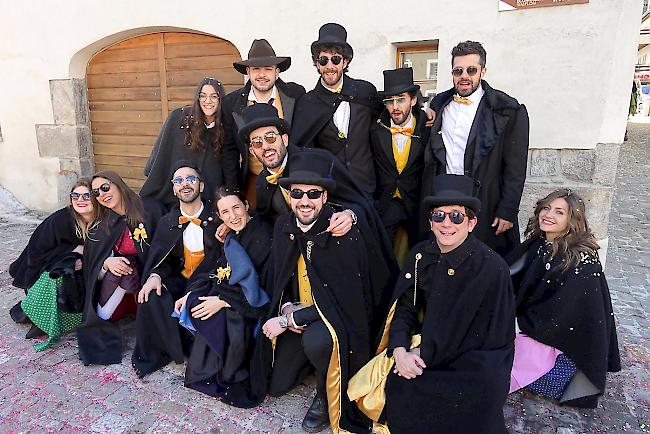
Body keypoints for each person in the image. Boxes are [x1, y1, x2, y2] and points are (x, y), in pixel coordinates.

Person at [349, 174, 515, 434]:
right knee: (399, 385)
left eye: (456, 216)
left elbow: (493, 336)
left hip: (475, 359)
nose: (446, 223)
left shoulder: (493, 268)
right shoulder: (420, 256)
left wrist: (423, 353)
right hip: (428, 348)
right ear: (430, 221)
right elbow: (405, 308)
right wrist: (400, 351)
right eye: (439, 216)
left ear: (471, 223)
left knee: (476, 396)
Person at [235, 103, 398, 333]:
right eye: (257, 142)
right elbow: (268, 222)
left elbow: (359, 200)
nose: (266, 147)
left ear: (284, 138)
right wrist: (236, 222)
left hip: (338, 258)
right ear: (252, 151)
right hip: (301, 267)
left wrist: (350, 215)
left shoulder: (319, 161)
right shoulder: (263, 183)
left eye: (270, 137)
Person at [259, 151, 378, 433]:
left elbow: (343, 301)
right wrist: (287, 306)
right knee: (277, 385)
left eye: (313, 193)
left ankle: (326, 395)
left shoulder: (340, 231)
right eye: (297, 193)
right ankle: (314, 367)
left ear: (325, 197)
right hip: (299, 309)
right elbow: (279, 276)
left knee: (316, 341)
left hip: (334, 321)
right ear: (288, 195)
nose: (304, 201)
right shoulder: (283, 226)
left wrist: (289, 321)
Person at [507, 188, 621, 408]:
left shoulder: (581, 261)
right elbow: (508, 272)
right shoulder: (540, 243)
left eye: (559, 212)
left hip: (562, 345)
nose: (548, 215)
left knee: (495, 359)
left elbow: (560, 316)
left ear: (572, 220)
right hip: (534, 326)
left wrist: (514, 322)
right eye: (547, 208)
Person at [423, 41, 529, 256]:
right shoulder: (438, 105)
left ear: (483, 71)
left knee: (482, 263)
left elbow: (515, 168)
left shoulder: (507, 110)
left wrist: (508, 209)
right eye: (458, 70)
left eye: (471, 70)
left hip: (485, 200)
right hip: (445, 199)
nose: (464, 76)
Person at [175, 187, 273, 398]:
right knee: (194, 300)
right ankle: (210, 367)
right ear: (219, 216)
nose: (233, 216)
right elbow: (215, 268)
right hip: (230, 292)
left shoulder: (263, 235)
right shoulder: (232, 234)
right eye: (225, 212)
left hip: (252, 303)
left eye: (236, 207)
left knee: (222, 315)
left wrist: (223, 301)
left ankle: (225, 370)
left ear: (246, 206)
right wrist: (191, 294)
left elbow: (263, 284)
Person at [131, 162, 220, 377]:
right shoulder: (167, 221)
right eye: (178, 180)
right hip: (180, 278)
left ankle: (197, 351)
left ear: (200, 186)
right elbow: (163, 259)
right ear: (174, 189)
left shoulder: (217, 218)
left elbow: (223, 260)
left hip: (209, 282)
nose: (184, 184)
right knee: (152, 295)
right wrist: (154, 275)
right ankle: (167, 350)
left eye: (191, 179)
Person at [76, 171, 162, 365]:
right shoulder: (104, 222)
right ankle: (101, 320)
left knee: (128, 267)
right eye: (96, 192)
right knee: (122, 267)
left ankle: (102, 321)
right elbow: (93, 257)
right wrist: (107, 262)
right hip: (122, 281)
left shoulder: (149, 209)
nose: (102, 194)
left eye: (105, 187)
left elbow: (165, 246)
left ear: (118, 184)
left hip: (151, 273)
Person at [291, 22, 382, 194]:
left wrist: (424, 111)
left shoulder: (364, 91)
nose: (330, 66)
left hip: (367, 185)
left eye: (336, 59)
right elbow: (303, 148)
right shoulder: (307, 102)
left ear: (345, 62)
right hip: (332, 189)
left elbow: (387, 120)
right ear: (316, 64)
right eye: (323, 60)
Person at [8, 179, 97, 350]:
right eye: (75, 195)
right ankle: (41, 317)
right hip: (41, 269)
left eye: (86, 195)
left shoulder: (103, 220)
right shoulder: (60, 220)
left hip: (83, 269)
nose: (80, 200)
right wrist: (73, 252)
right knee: (61, 273)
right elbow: (36, 253)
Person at [221, 39, 305, 204]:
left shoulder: (295, 94)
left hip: (293, 176)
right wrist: (233, 191)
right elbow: (229, 150)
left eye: (268, 69)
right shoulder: (232, 103)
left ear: (277, 72)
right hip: (254, 180)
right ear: (248, 71)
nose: (262, 75)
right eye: (256, 69)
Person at [371, 67, 430, 253]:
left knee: (417, 255)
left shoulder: (428, 128)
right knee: (383, 257)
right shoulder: (375, 130)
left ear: (413, 100)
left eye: (401, 99)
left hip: (415, 204)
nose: (395, 107)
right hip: (386, 204)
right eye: (390, 101)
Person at [141, 77, 226, 207]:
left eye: (214, 96)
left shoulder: (224, 125)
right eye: (203, 96)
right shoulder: (179, 118)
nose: (207, 101)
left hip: (206, 196)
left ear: (220, 100)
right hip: (174, 193)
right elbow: (162, 149)